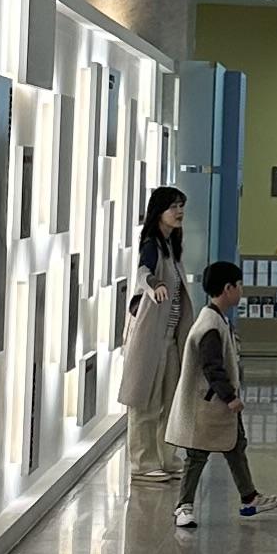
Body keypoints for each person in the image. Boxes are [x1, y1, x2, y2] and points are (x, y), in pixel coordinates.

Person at [167, 257, 266, 526]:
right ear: (227, 288)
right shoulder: (209, 325)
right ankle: (183, 506)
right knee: (198, 454)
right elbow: (212, 366)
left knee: (235, 445)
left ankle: (249, 498)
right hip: (208, 404)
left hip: (215, 403)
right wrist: (230, 397)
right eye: (239, 285)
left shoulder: (217, 319)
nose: (241, 290)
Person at [116, 184, 189, 484]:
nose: (179, 211)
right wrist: (155, 285)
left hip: (170, 337)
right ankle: (143, 462)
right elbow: (143, 273)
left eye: (181, 206)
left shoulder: (172, 246)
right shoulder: (152, 245)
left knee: (170, 401)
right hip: (150, 337)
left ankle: (166, 458)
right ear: (159, 211)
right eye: (174, 206)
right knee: (144, 401)